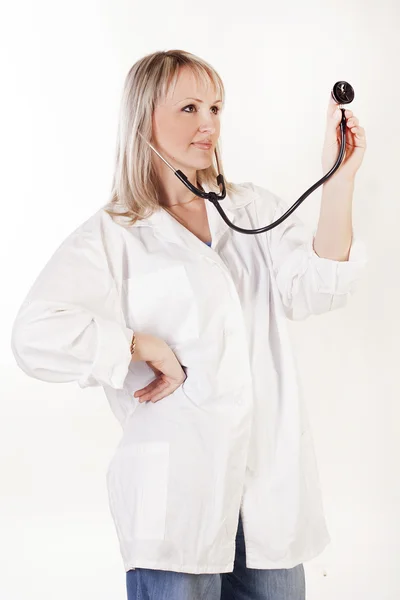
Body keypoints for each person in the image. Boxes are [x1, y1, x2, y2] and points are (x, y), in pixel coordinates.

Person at [11, 49, 368, 600]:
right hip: (176, 504)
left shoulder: (251, 212)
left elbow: (317, 288)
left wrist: (339, 179)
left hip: (267, 496)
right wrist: (136, 344)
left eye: (216, 107)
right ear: (143, 118)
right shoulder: (114, 235)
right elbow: (34, 335)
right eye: (189, 108)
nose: (209, 124)